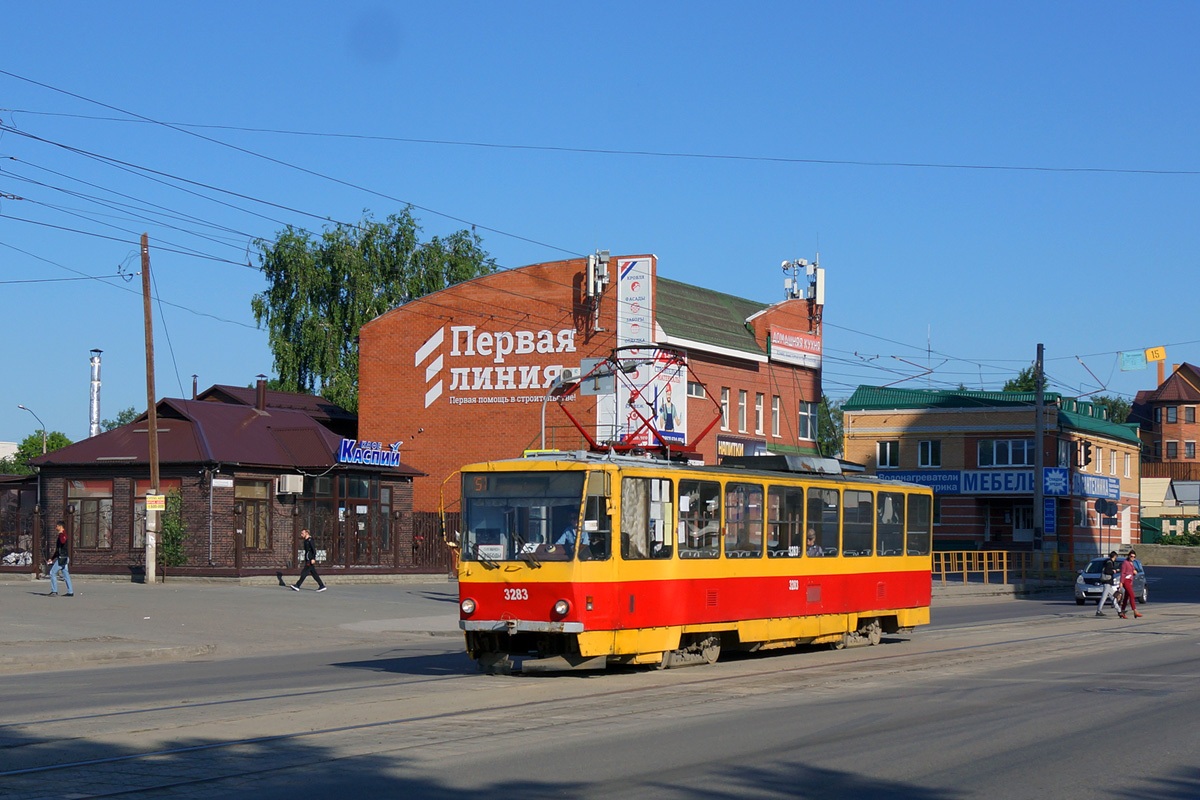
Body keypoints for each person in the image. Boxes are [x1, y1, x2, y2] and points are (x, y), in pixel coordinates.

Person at [45, 522, 74, 597]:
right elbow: (58, 550)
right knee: (66, 574)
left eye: (57, 526)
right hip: (63, 557)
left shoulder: (63, 535)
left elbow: (63, 541)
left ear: (61, 526)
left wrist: (61, 534)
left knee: (52, 572)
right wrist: (52, 558)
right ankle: (70, 591)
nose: (56, 527)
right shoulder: (61, 535)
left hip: (62, 558)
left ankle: (54, 591)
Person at [1118, 549, 1141, 619]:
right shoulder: (1125, 563)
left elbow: (1131, 572)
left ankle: (1122, 612)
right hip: (1126, 581)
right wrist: (1121, 582)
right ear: (1128, 556)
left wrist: (1134, 572)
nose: (1132, 558)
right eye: (1131, 556)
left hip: (1130, 581)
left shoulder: (1132, 563)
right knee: (1132, 595)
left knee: (1126, 597)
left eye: (1134, 557)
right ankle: (1135, 611)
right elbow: (1123, 573)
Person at [1095, 551, 1120, 617]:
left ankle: (1119, 611)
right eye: (1116, 557)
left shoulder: (1107, 562)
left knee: (1113, 597)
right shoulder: (1109, 563)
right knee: (1105, 597)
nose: (1116, 558)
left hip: (1107, 583)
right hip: (1107, 582)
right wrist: (1114, 571)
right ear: (1114, 556)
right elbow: (1107, 571)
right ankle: (1099, 611)